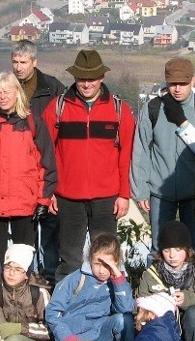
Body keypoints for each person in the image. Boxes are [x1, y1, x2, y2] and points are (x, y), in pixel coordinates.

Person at [42, 50, 135, 280]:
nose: (86, 84)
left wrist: (124, 194)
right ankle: (65, 307)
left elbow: (126, 156)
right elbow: (45, 154)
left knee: (106, 257)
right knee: (70, 259)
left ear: (101, 78)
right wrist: (49, 192)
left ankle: (106, 305)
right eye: (81, 78)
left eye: (91, 78)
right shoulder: (57, 108)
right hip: (67, 197)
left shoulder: (119, 111)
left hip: (107, 198)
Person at [0, 72, 57, 255]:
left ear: (17, 92)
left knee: (23, 256)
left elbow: (46, 164)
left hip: (24, 199)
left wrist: (44, 199)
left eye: (7, 91)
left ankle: (22, 285)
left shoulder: (32, 123)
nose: (3, 96)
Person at [131, 58, 195, 255]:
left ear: (192, 81)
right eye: (172, 83)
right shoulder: (153, 109)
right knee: (160, 248)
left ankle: (193, 285)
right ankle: (154, 285)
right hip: (160, 191)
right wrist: (141, 189)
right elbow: (141, 149)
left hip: (194, 191)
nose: (177, 89)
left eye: (182, 83)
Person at [44, 232, 134, 341]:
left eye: (107, 265)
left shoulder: (117, 280)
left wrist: (118, 279)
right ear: (89, 259)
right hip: (72, 340)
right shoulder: (75, 279)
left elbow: (126, 310)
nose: (101, 270)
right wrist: (67, 340)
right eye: (97, 264)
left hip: (98, 335)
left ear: (116, 263)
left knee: (124, 320)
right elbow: (52, 312)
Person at [10, 40, 65, 283]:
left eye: (23, 62)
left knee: (50, 225)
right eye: (15, 62)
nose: (18, 67)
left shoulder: (52, 88)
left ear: (35, 62)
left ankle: (50, 276)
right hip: (18, 168)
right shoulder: (7, 87)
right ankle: (25, 276)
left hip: (46, 165)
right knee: (24, 227)